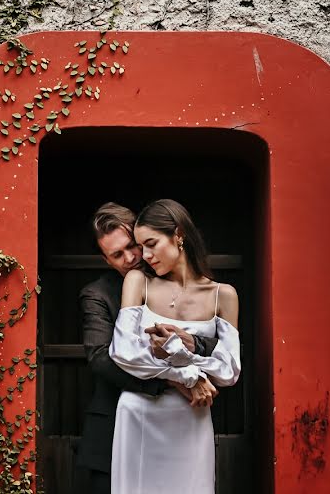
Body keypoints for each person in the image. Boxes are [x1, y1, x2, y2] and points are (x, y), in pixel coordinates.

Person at [74, 203, 219, 494]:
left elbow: (215, 342)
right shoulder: (97, 295)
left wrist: (190, 345)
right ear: (106, 260)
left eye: (132, 246)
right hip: (114, 426)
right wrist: (172, 380)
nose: (130, 258)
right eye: (117, 254)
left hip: (181, 428)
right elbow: (101, 358)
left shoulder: (185, 283)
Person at [109, 199, 241, 494]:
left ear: (178, 234)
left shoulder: (224, 295)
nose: (145, 255)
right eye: (142, 246)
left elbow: (229, 370)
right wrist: (189, 376)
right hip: (139, 412)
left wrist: (180, 353)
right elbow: (123, 352)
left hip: (191, 415)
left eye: (151, 244)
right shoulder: (137, 281)